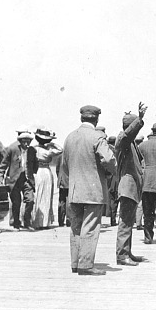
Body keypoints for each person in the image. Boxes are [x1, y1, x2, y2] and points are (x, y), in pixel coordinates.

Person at [60, 105, 116, 276]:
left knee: (75, 226)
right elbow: (109, 160)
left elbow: (64, 165)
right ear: (96, 119)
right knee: (90, 227)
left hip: (74, 189)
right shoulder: (97, 136)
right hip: (93, 190)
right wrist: (110, 172)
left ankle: (75, 263)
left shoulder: (70, 137)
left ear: (81, 118)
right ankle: (86, 265)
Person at [114, 103, 148, 266]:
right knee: (125, 222)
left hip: (132, 188)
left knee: (129, 221)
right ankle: (122, 256)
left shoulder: (131, 143)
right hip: (127, 188)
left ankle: (127, 252)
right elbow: (128, 135)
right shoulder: (123, 139)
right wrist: (140, 119)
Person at [0, 130, 38, 230]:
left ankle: (27, 222)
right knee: (16, 203)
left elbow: (35, 165)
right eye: (24, 141)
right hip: (14, 181)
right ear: (19, 141)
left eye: (28, 141)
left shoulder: (32, 151)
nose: (26, 143)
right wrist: (0, 178)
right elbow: (3, 165)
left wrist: (32, 172)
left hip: (27, 179)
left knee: (30, 200)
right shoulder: (12, 149)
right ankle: (16, 223)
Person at [31, 128, 63, 229]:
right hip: (46, 171)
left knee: (37, 195)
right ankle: (44, 221)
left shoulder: (34, 149)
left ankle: (35, 220)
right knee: (46, 195)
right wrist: (51, 143)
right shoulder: (47, 151)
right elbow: (60, 149)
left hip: (37, 172)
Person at [105, 135, 119, 226]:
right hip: (115, 177)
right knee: (115, 199)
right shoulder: (116, 151)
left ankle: (110, 216)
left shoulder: (106, 149)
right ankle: (113, 219)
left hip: (108, 178)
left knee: (111, 198)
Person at [55, 156, 70, 227]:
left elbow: (57, 170)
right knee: (69, 200)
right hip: (69, 181)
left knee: (61, 201)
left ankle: (60, 220)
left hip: (61, 181)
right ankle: (69, 220)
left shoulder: (60, 156)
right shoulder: (71, 155)